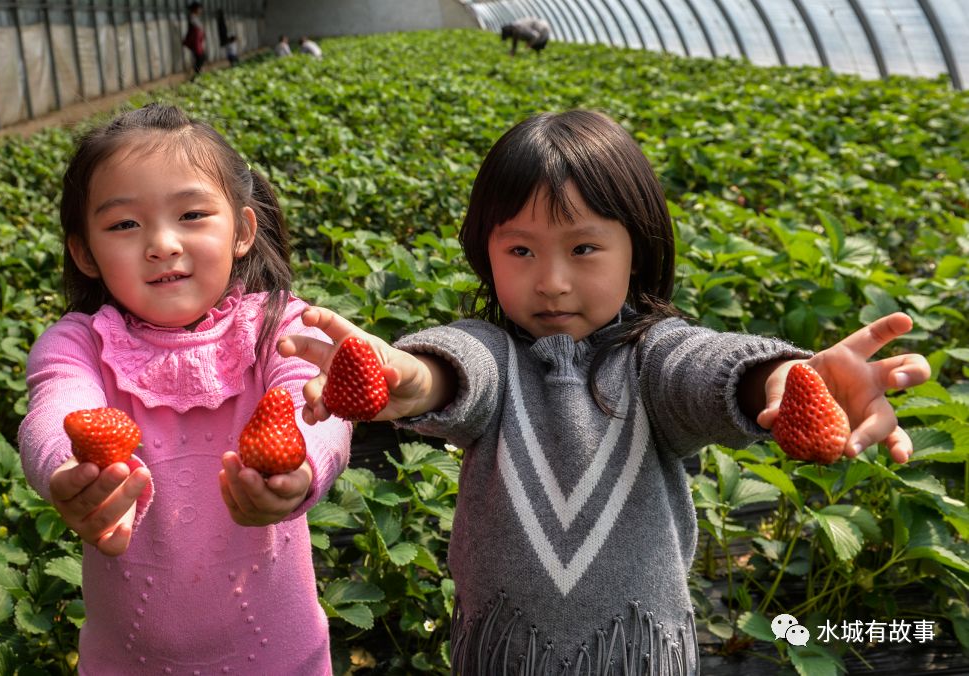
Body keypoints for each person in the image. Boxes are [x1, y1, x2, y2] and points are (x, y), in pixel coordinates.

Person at [278, 110, 930, 673]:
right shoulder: (495, 354)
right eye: (521, 252)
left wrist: (789, 382)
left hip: (640, 656)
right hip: (502, 656)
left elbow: (707, 368)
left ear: (636, 251)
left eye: (584, 248)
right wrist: (403, 376)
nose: (553, 281)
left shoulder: (654, 358)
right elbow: (452, 371)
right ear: (486, 253)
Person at [17, 103, 351, 675]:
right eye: (124, 224)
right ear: (84, 253)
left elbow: (315, 398)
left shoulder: (279, 328)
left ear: (243, 230)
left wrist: (296, 465)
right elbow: (56, 407)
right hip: (125, 662)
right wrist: (70, 472)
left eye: (193, 214)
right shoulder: (79, 346)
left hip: (281, 656)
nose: (162, 244)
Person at [183, 2, 206, 81]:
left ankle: (197, 75)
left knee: (201, 58)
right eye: (199, 9)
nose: (200, 10)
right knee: (199, 58)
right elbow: (195, 31)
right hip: (195, 42)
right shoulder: (192, 18)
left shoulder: (195, 18)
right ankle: (195, 77)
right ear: (195, 9)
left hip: (198, 42)